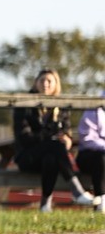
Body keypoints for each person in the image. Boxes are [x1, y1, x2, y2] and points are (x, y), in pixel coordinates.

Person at [13, 69, 95, 212]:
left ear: (56, 84)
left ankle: (45, 205)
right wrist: (49, 138)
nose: (45, 84)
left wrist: (67, 140)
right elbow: (24, 138)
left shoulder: (61, 106)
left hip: (52, 158)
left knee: (51, 157)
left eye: (49, 81)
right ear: (35, 83)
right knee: (54, 146)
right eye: (42, 80)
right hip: (28, 157)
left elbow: (66, 132)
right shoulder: (24, 104)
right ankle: (76, 191)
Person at [75, 92, 105, 214]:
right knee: (102, 159)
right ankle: (101, 203)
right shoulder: (94, 107)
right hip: (90, 155)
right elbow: (88, 139)